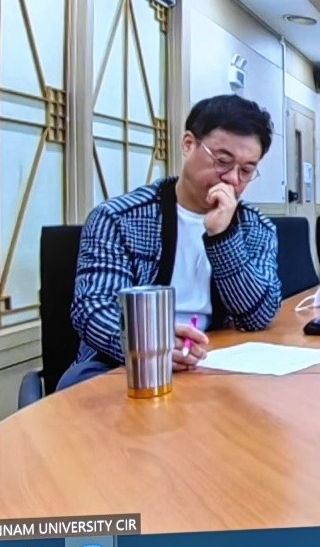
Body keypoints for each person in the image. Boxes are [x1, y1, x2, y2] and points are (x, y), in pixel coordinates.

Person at [57, 94, 283, 390]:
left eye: (246, 170)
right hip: (126, 362)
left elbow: (258, 316)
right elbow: (93, 308)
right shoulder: (119, 218)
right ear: (188, 145)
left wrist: (222, 236)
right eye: (222, 161)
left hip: (212, 362)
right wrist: (150, 344)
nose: (231, 179)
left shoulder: (255, 226)